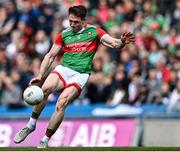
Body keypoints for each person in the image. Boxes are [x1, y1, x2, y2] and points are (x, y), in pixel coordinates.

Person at [13, 5, 135, 148]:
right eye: (70, 21)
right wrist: (40, 75)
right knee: (44, 89)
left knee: (61, 103)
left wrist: (121, 42)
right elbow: (51, 55)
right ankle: (31, 124)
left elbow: (114, 43)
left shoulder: (94, 32)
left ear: (84, 20)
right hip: (64, 69)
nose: (72, 24)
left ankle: (45, 140)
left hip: (80, 74)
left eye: (75, 22)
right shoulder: (64, 34)